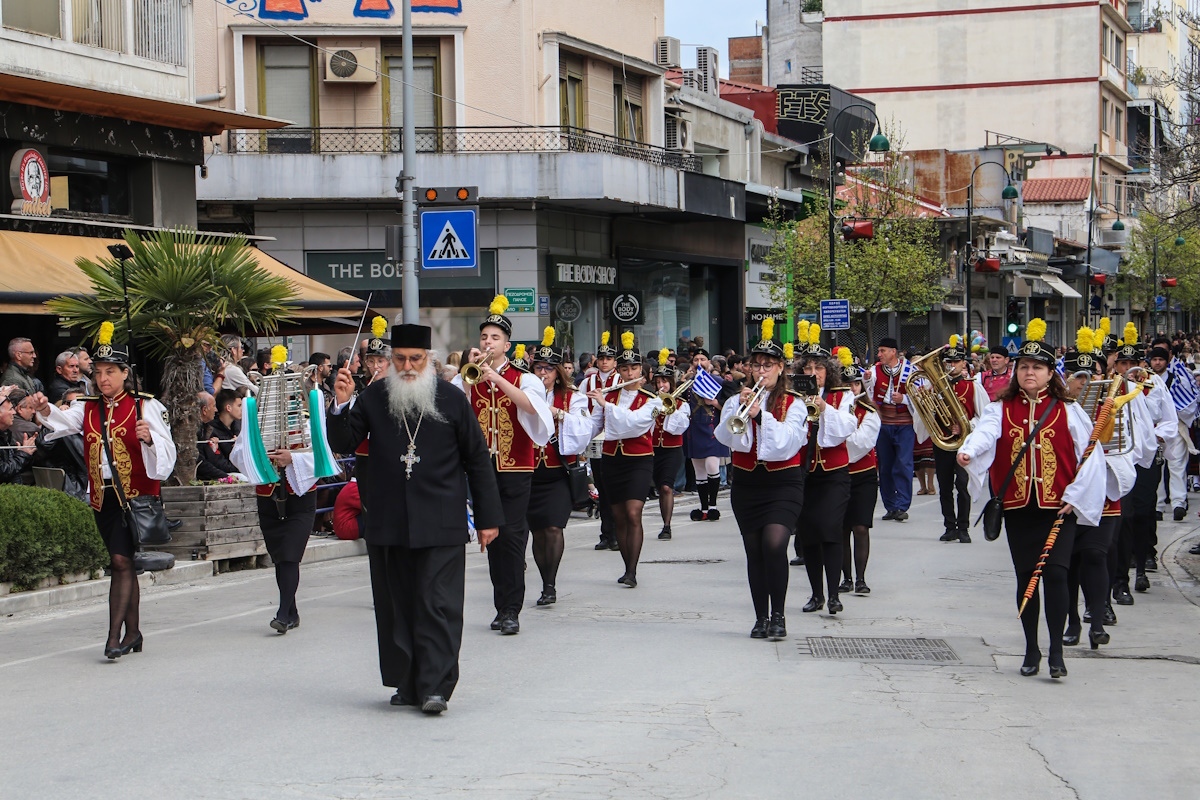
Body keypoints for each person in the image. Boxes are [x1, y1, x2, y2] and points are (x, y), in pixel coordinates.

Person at [327, 322, 502, 714]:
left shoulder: (452, 400)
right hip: (389, 519)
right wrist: (340, 404)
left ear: (429, 360)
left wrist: (489, 518)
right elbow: (343, 442)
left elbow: (477, 459)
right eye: (401, 359)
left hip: (441, 520)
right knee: (396, 604)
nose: (408, 366)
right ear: (391, 360)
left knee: (436, 602)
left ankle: (436, 686)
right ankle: (407, 683)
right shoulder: (374, 395)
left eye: (416, 359)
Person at [957, 319, 1105, 679]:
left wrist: (1077, 496)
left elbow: (1090, 456)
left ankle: (1056, 650)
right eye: (1023, 366)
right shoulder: (1000, 409)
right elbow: (986, 434)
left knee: (1055, 575)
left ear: (1049, 372)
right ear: (1016, 371)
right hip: (1019, 508)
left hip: (1058, 508)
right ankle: (1031, 648)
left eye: (1037, 367)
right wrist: (968, 451)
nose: (1029, 372)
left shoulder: (1068, 409)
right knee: (1027, 579)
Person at [32, 323, 176, 660]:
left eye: (110, 372)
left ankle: (114, 638)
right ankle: (135, 632)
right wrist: (43, 408)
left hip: (135, 497)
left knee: (120, 561)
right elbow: (62, 422)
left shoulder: (145, 406)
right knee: (125, 564)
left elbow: (168, 456)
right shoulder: (89, 407)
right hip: (103, 498)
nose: (103, 379)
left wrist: (150, 439)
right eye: (98, 372)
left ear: (125, 373)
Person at [451, 296, 553, 635]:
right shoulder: (470, 376)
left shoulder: (525, 378)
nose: (487, 343)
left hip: (516, 468)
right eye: (484, 338)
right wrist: (471, 379)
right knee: (490, 537)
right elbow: (451, 408)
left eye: (494, 338)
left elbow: (534, 408)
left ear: (507, 344)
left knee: (510, 535)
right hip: (482, 470)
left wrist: (496, 377)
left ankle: (512, 609)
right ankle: (501, 606)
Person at [715, 325, 808, 640]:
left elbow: (789, 441)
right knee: (754, 551)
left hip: (783, 483)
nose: (762, 370)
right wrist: (740, 409)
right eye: (756, 365)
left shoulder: (794, 403)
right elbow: (725, 438)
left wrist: (759, 416)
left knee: (774, 544)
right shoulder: (736, 400)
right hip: (747, 483)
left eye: (768, 365)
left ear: (781, 368)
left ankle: (779, 615)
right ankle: (760, 617)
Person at [230, 347, 330, 635]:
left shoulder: (309, 420)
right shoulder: (256, 422)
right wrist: (257, 451)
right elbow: (238, 456)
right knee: (279, 556)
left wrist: (293, 458)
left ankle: (283, 612)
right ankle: (292, 608)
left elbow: (322, 455)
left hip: (301, 495)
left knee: (289, 555)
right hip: (268, 496)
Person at [1059, 328, 1131, 650]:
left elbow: (1133, 443)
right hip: (1068, 493)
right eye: (1077, 375)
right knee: (1070, 561)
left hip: (1103, 492)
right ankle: (1073, 622)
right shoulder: (1056, 407)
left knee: (1095, 553)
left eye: (1090, 375)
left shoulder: (1115, 401)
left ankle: (1098, 621)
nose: (1083, 383)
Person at [587, 332, 663, 588]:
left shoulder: (653, 401)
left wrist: (605, 406)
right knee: (619, 516)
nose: (630, 374)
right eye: (625, 369)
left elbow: (633, 425)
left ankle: (632, 570)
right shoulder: (609, 396)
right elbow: (595, 426)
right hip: (611, 460)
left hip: (639, 461)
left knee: (633, 513)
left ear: (642, 370)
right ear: (619, 371)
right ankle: (626, 565)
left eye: (634, 368)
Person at [794, 333, 858, 615]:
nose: (812, 373)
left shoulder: (841, 395)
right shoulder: (793, 396)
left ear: (827, 371)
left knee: (830, 529)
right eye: (807, 368)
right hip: (804, 472)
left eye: (818, 368)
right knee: (809, 534)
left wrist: (824, 407)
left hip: (834, 473)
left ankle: (834, 594)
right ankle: (816, 594)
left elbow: (846, 427)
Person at [527, 328, 591, 605]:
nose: (544, 373)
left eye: (549, 369)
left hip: (557, 474)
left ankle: (549, 585)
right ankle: (544, 576)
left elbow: (584, 430)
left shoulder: (573, 397)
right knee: (536, 531)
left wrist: (558, 413)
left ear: (558, 372)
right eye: (539, 367)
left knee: (553, 528)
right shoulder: (523, 392)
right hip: (529, 472)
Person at [918, 336, 990, 544]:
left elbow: (983, 416)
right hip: (943, 442)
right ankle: (949, 526)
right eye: (947, 362)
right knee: (945, 485)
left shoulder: (973, 387)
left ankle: (964, 528)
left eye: (955, 362)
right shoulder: (934, 387)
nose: (951, 366)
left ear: (963, 364)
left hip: (965, 443)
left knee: (963, 485)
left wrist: (967, 426)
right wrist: (925, 402)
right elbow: (926, 416)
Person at [839, 354, 880, 595]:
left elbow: (862, 443)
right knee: (842, 528)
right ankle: (846, 578)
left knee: (861, 527)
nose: (852, 389)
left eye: (855, 384)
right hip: (840, 475)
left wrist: (839, 438)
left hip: (863, 475)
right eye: (847, 385)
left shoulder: (870, 412)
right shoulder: (832, 411)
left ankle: (861, 578)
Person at [863, 336, 916, 522]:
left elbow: (922, 396)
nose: (879, 355)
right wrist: (867, 381)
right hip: (883, 422)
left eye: (882, 351)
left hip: (905, 424)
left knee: (903, 464)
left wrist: (905, 399)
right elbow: (867, 392)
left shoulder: (911, 370)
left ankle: (902, 505)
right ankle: (890, 506)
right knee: (885, 466)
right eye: (879, 351)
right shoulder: (874, 370)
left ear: (893, 352)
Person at [579, 333, 620, 550]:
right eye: (602, 358)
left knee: (613, 487)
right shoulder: (587, 381)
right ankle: (606, 534)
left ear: (615, 362)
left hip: (614, 438)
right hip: (595, 437)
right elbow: (580, 407)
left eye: (609, 358)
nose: (605, 362)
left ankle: (616, 534)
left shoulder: (621, 380)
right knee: (601, 486)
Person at [1149, 340, 1198, 522]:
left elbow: (1189, 400)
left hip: (1175, 428)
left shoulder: (1178, 377)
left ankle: (1178, 503)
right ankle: (1158, 506)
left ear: (1166, 360)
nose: (1158, 363)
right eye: (1154, 360)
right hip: (1154, 430)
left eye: (1161, 360)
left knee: (1177, 466)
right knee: (1158, 469)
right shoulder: (1146, 379)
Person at [685, 347, 730, 522]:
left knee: (712, 466)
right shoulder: (688, 383)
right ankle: (703, 507)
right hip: (694, 428)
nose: (699, 363)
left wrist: (716, 403)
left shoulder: (719, 381)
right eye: (696, 360)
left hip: (712, 427)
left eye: (703, 359)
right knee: (699, 471)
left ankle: (713, 505)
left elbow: (731, 404)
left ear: (709, 363)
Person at [650, 349, 690, 540]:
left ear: (671, 383)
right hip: (651, 450)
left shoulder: (681, 403)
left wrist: (670, 409)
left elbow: (679, 428)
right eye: (658, 382)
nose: (661, 385)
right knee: (658, 487)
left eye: (664, 381)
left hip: (672, 450)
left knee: (666, 487)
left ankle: (667, 526)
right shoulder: (650, 401)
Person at [0, 387, 36, 483]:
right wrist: (23, 454)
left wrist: (25, 452)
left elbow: (17, 467)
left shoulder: (6, 433)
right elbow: (3, 471)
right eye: (10, 409)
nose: (14, 412)